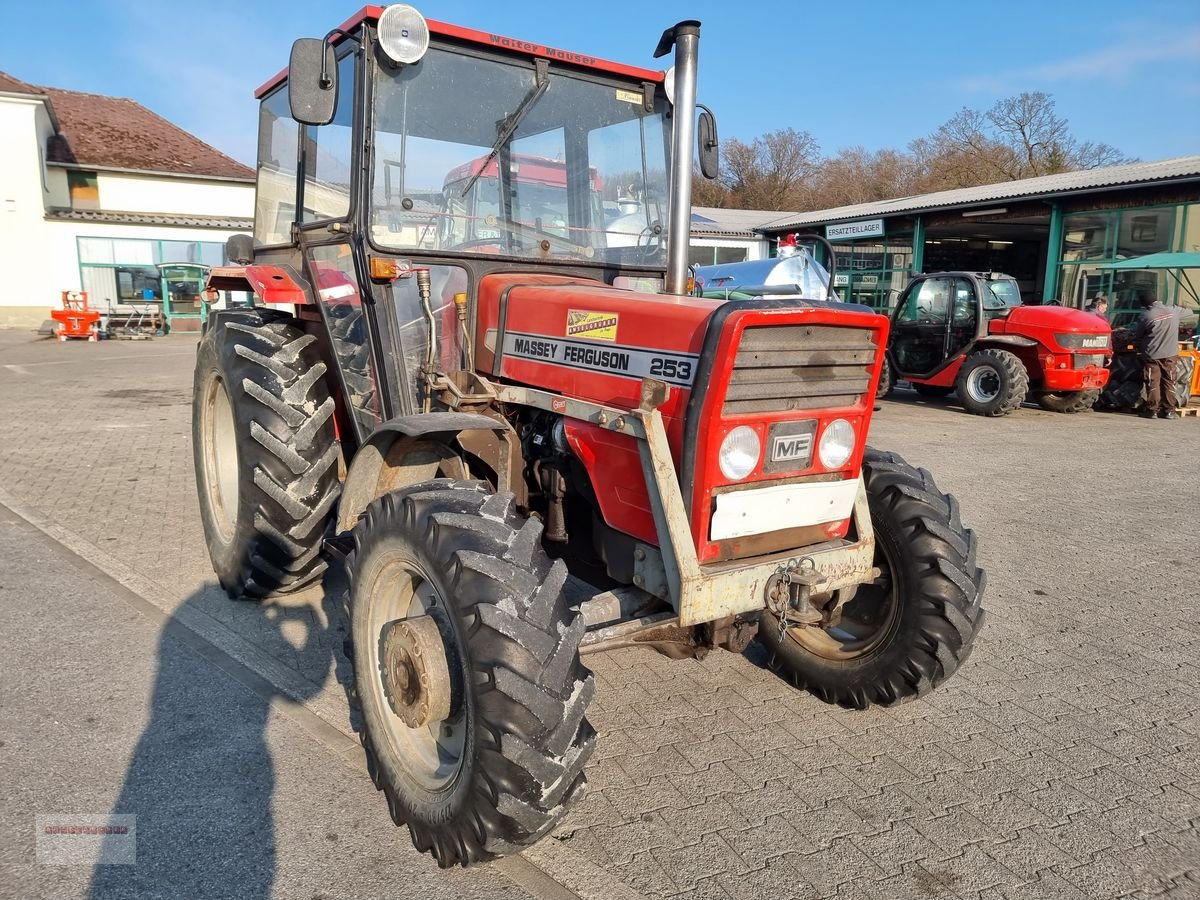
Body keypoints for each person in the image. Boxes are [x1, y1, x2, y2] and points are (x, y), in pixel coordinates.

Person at [1131, 290, 1186, 419]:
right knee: (1169, 381)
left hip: (1152, 354)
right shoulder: (1173, 311)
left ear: (1144, 303)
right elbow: (1189, 312)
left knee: (1153, 381)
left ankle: (1152, 410)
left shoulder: (1146, 316)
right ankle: (1169, 411)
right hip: (1170, 354)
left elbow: (1138, 335)